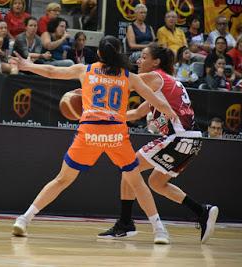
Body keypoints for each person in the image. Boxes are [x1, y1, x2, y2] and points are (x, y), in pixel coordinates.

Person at [11, 35, 178, 244]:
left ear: (99, 53)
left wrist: (28, 65)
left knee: (62, 180)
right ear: (119, 52)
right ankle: (160, 231)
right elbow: (155, 99)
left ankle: (24, 219)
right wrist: (169, 111)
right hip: (116, 132)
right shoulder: (128, 77)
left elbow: (52, 71)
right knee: (136, 183)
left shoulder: (86, 70)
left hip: (89, 131)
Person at [97, 43, 219, 244]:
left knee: (129, 167)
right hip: (192, 141)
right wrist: (108, 118)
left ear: (156, 62)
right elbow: (136, 113)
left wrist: (90, 87)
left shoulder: (155, 77)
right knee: (156, 183)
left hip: (179, 138)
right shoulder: (161, 85)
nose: (138, 60)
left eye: (143, 57)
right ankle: (202, 211)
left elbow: (119, 83)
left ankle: (125, 223)